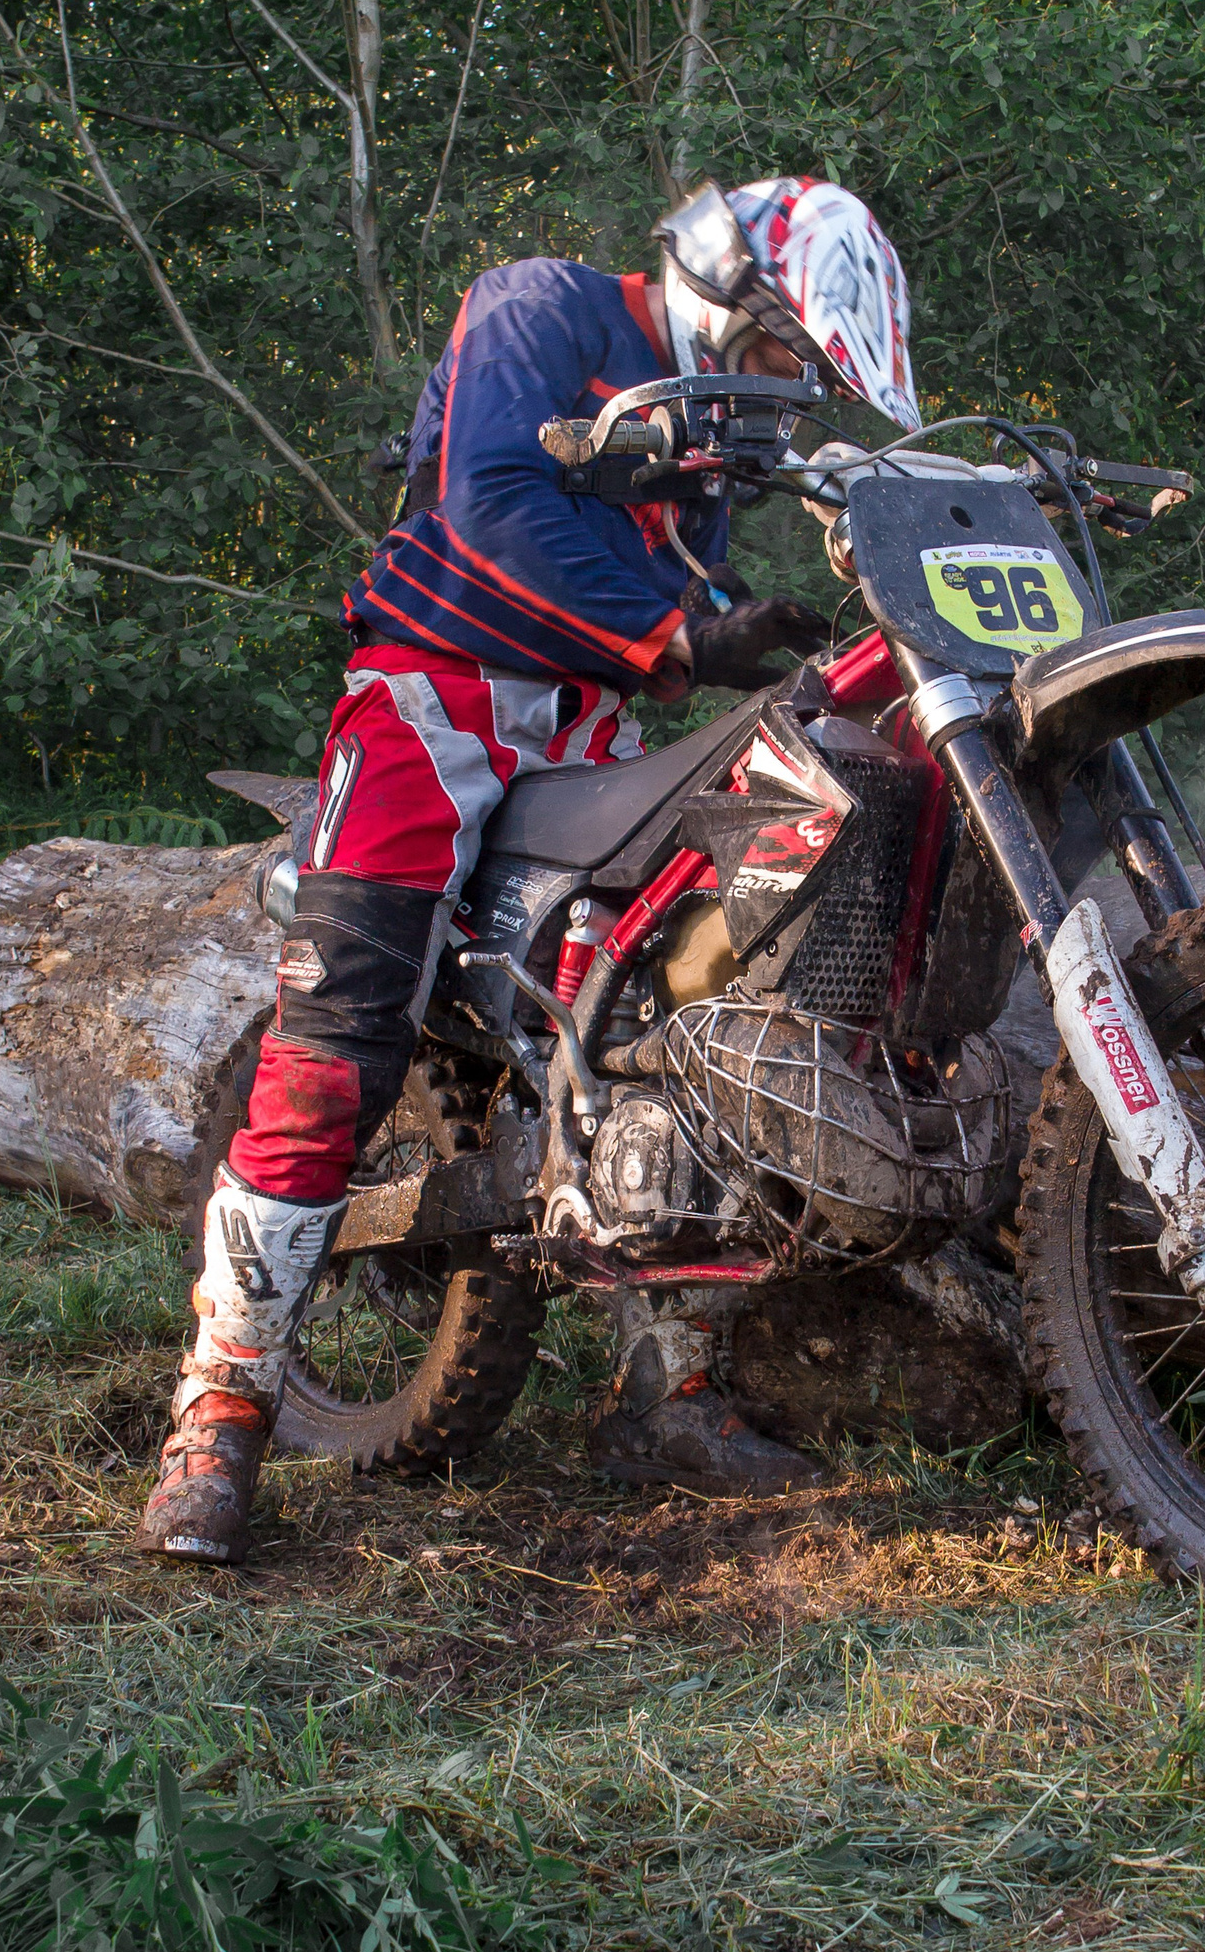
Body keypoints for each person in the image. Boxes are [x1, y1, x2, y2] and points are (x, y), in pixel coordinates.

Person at [135, 177, 919, 1565]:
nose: (786, 386)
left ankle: (668, 1388)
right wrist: (683, 635)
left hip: (594, 734)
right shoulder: (539, 307)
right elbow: (492, 501)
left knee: (678, 1031)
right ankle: (221, 1407)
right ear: (723, 288)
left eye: (804, 371)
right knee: (334, 1046)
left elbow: (668, 581)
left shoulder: (709, 427)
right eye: (782, 350)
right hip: (429, 702)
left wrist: (745, 621)